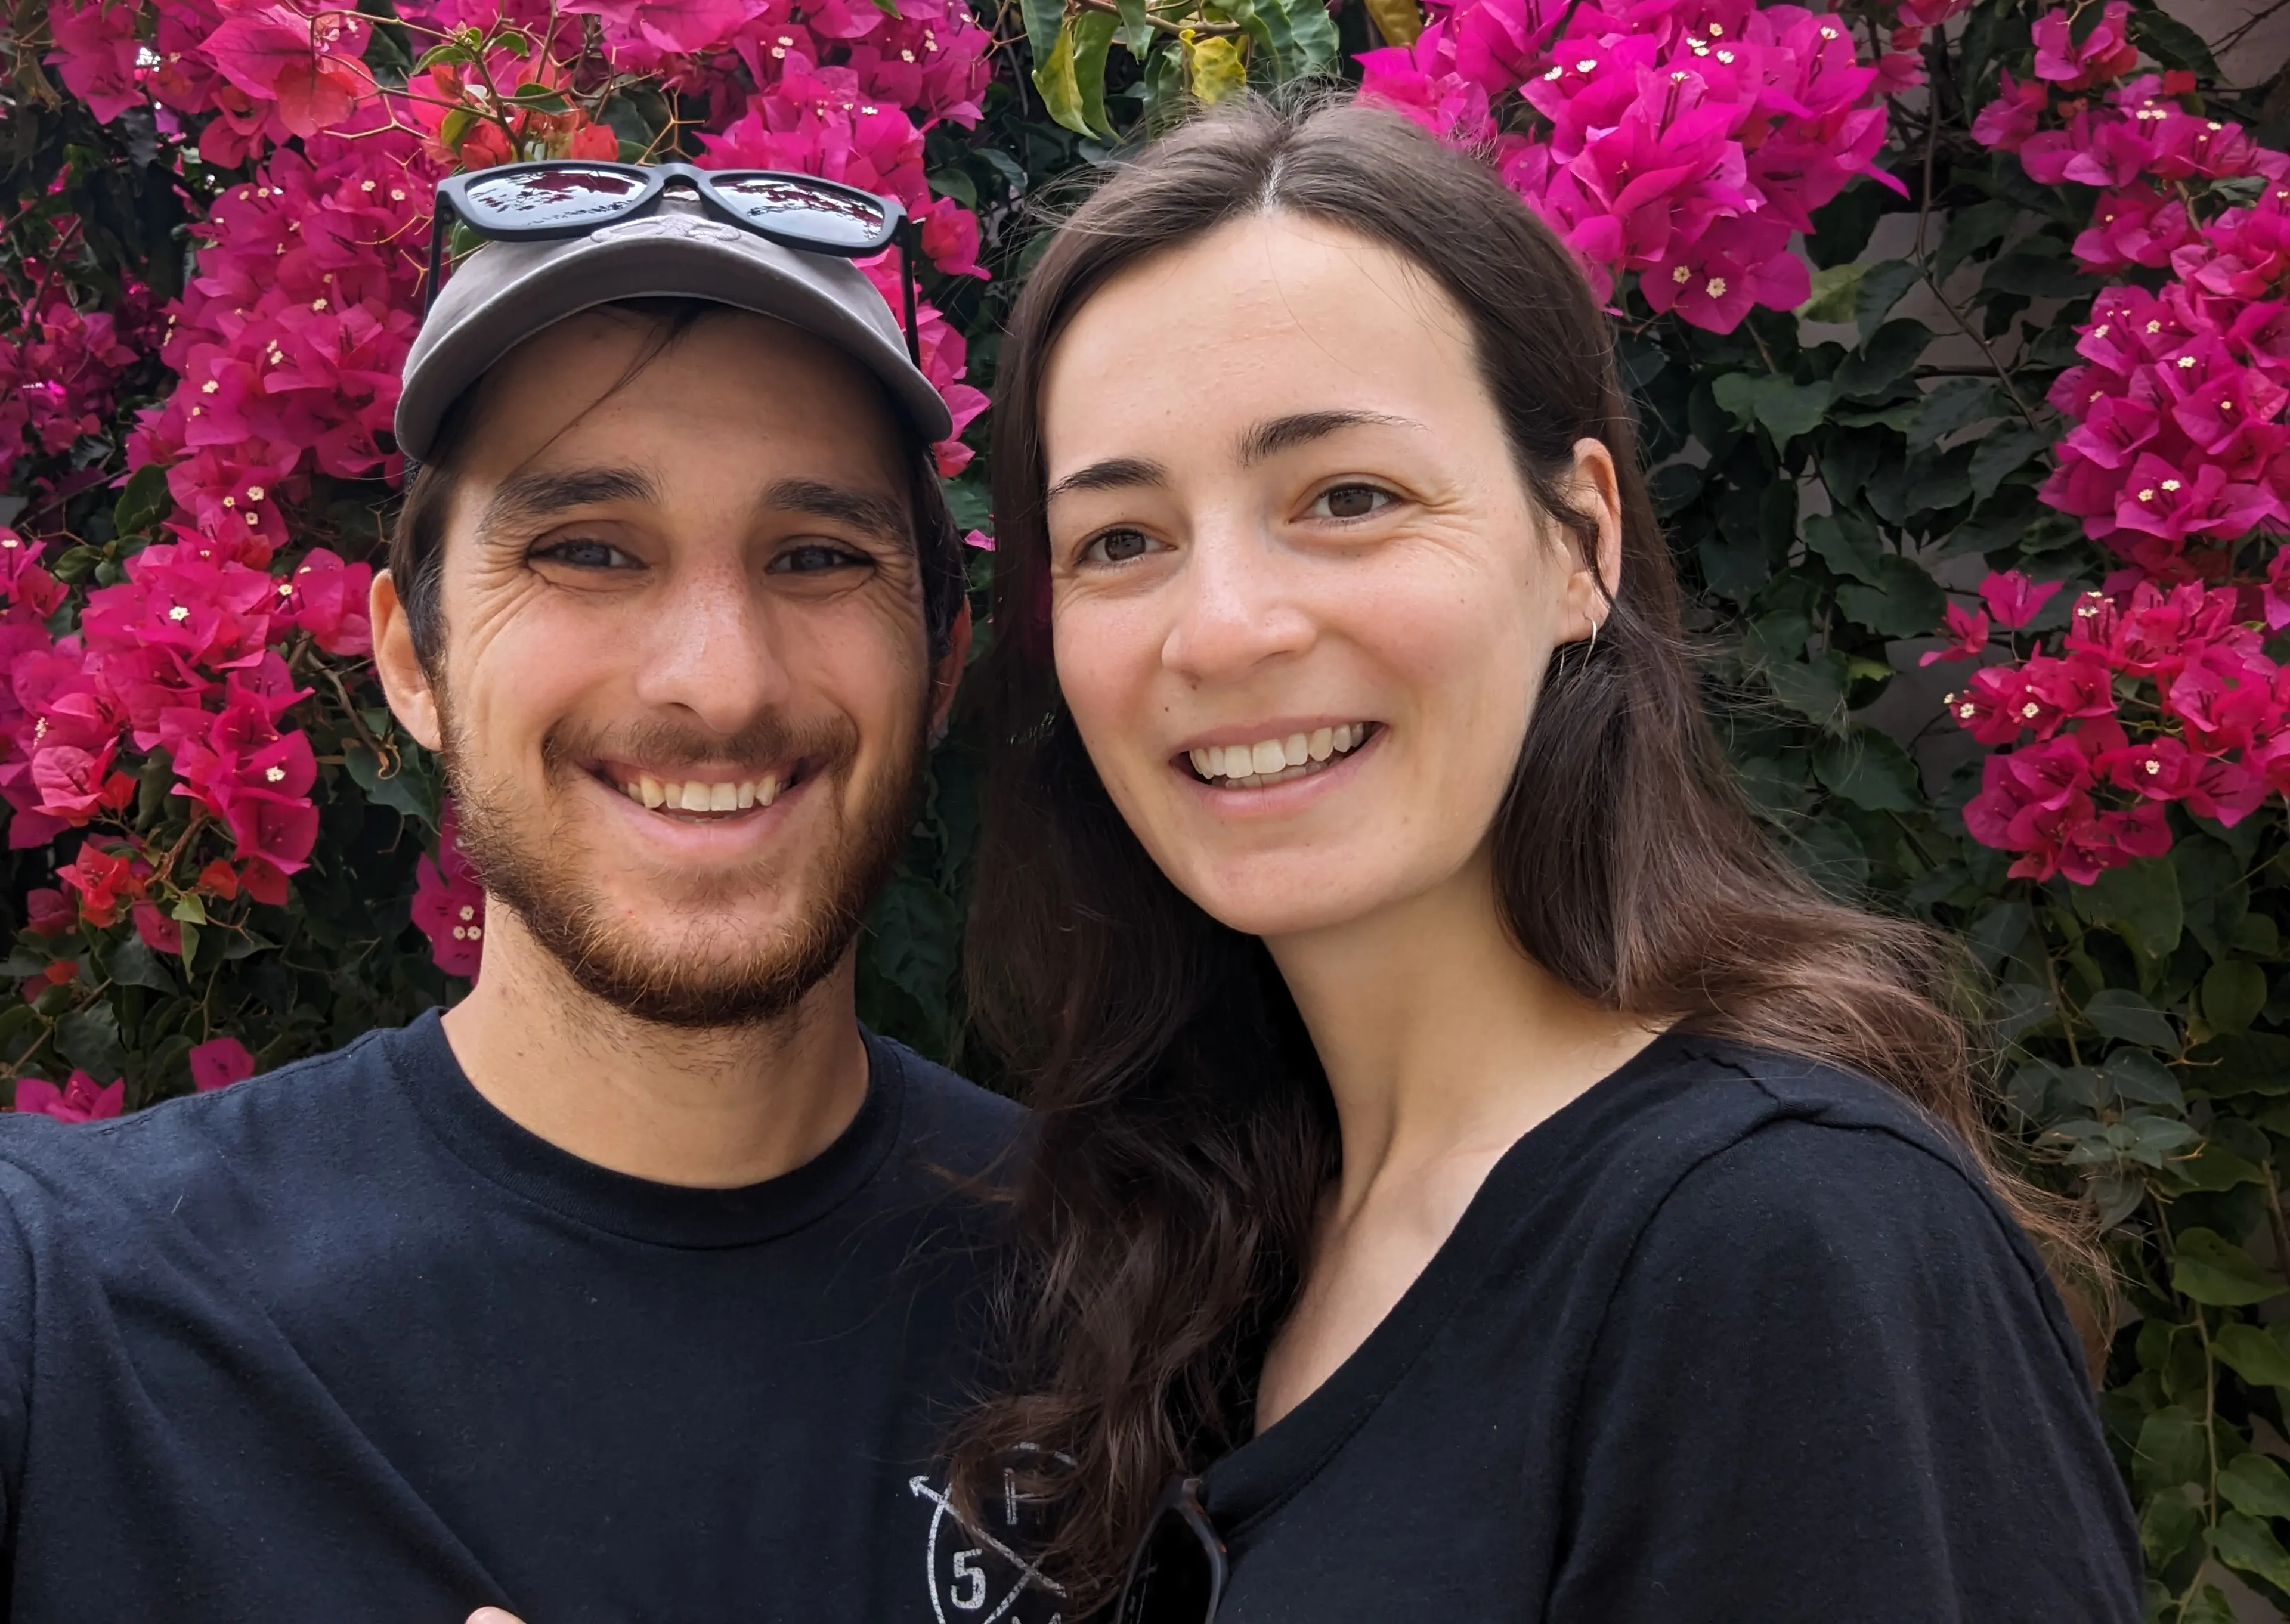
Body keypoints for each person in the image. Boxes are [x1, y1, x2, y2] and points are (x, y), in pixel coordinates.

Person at [945, 99, 2144, 1622]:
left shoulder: (1782, 1243)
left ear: (1579, 543)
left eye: (1350, 498)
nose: (1224, 628)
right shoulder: (1199, 1237)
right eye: (1120, 539)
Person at [0, 171, 1050, 1622]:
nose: (717, 682)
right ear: (412, 660)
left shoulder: (1145, 1290)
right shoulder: (64, 1297)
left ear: (939, 668)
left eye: (817, 558)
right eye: (586, 551)